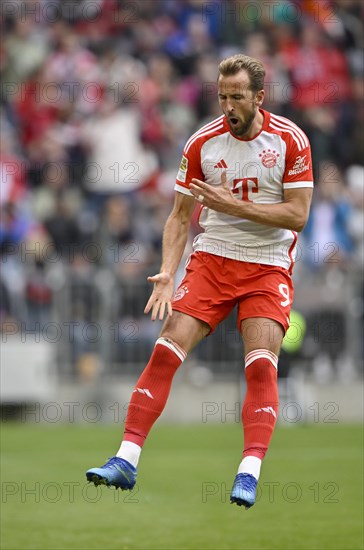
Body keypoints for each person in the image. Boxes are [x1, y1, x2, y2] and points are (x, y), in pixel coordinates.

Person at [86, 54, 313, 509]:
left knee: (261, 364)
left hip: (268, 263)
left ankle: (249, 471)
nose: (228, 105)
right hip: (213, 259)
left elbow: (298, 214)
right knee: (167, 347)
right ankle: (126, 459)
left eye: (237, 96)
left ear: (259, 96)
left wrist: (232, 206)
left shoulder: (290, 139)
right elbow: (179, 217)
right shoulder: (202, 143)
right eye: (222, 95)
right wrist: (168, 272)